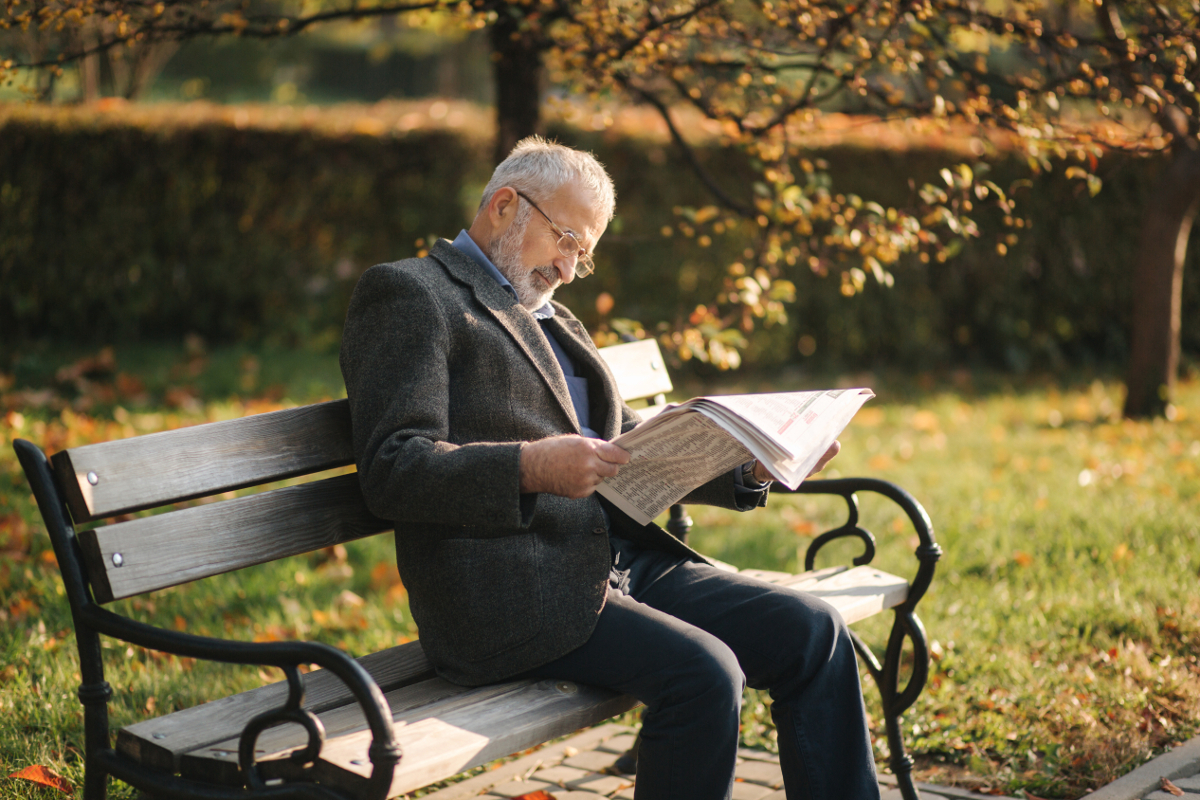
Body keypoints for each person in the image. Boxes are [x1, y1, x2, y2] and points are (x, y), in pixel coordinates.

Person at [340, 136, 880, 800]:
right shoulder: (412, 294)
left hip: (617, 565)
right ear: (506, 205)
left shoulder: (554, 318)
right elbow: (394, 467)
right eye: (566, 240)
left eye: (583, 254)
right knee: (707, 675)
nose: (569, 268)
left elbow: (619, 448)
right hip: (511, 596)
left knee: (811, 631)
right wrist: (530, 468)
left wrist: (754, 465)